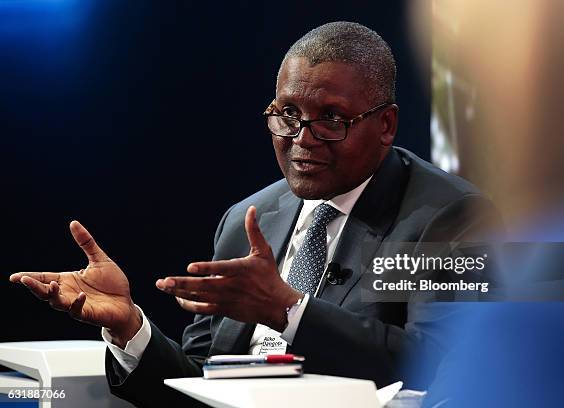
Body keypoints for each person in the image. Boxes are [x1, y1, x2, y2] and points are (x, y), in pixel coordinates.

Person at [9, 22, 500, 407]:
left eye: (331, 119)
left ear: (386, 124)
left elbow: (437, 368)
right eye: (287, 114)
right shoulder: (251, 217)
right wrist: (130, 329)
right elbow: (194, 387)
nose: (302, 140)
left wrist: (287, 310)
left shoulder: (450, 219)